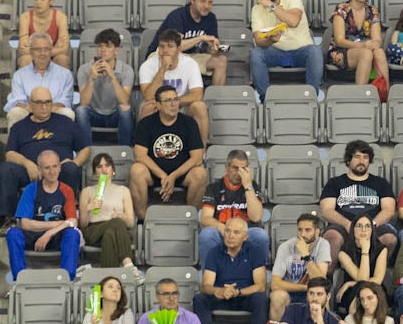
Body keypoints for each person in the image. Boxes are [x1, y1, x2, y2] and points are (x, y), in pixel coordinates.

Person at [0, 87, 88, 229]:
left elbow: (85, 149)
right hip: (31, 173)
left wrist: (74, 161)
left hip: (58, 172)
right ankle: (9, 219)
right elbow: (10, 153)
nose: (45, 107)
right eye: (39, 103)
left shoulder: (65, 123)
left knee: (71, 169)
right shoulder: (19, 127)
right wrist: (27, 164)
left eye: (48, 102)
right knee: (5, 169)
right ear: (30, 104)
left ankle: (67, 217)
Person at [128, 87, 209, 220]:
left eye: (176, 99)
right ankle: (143, 219)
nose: (173, 104)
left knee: (200, 174)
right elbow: (140, 155)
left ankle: (190, 218)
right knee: (136, 170)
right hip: (154, 174)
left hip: (182, 174)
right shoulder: (146, 124)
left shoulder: (189, 123)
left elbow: (197, 158)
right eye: (168, 101)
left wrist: (173, 176)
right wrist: (163, 176)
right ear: (158, 105)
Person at [8, 151, 83, 279]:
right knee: (13, 233)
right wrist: (59, 223)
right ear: (39, 170)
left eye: (54, 166)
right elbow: (25, 223)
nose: (52, 171)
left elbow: (73, 222)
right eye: (47, 168)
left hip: (56, 236)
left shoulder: (66, 190)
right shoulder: (31, 190)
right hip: (34, 237)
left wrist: (49, 233)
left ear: (60, 167)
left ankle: (68, 280)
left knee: (73, 234)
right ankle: (20, 280)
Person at [322, 141, 399, 262]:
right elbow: (326, 210)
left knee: (390, 238)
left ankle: (374, 275)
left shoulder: (381, 183)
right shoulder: (334, 183)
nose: (361, 161)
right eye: (357, 157)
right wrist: (347, 224)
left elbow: (389, 210)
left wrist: (370, 226)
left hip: (374, 225)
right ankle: (327, 278)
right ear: (348, 160)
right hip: (343, 226)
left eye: (365, 157)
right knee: (332, 237)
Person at [252, 0, 323, 97]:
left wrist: (271, 5)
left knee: (315, 51)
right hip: (275, 52)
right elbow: (258, 39)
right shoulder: (257, 9)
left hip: (301, 51)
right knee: (256, 53)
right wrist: (270, 40)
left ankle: (312, 96)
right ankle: (265, 99)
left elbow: (294, 21)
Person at [200, 147, 269, 266]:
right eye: (235, 168)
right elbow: (205, 218)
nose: (239, 173)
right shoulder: (214, 187)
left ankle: (259, 276)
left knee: (261, 235)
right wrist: (221, 227)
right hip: (223, 232)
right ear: (227, 167)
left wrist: (248, 186)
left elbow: (256, 217)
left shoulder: (252, 187)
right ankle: (209, 277)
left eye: (243, 169)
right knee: (207, 235)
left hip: (245, 233)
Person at [148, 0, 228, 87]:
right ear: (192, 0)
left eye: (210, 2)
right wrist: (201, 38)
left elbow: (210, 50)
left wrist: (213, 48)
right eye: (202, 1)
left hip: (190, 56)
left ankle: (216, 99)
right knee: (170, 57)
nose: (207, 6)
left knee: (221, 61)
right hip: (163, 54)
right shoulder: (178, 16)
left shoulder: (211, 18)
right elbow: (175, 47)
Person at [75, 28, 134, 150]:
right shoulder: (85, 69)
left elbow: (124, 101)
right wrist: (91, 79)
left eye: (108, 46)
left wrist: (112, 77)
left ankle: (124, 150)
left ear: (116, 50)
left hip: (114, 114)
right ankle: (85, 151)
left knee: (125, 109)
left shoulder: (126, 70)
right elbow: (84, 103)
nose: (103, 50)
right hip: (94, 113)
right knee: (80, 111)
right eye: (100, 46)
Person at [271, 212, 333, 322]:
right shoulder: (285, 247)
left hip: (312, 292)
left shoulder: (323, 245)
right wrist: (305, 288)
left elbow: (320, 282)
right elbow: (275, 284)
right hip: (289, 292)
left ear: (317, 232)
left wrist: (305, 255)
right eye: (300, 230)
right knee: (277, 296)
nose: (303, 234)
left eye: (307, 230)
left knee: (320, 296)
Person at [78, 154, 136, 267]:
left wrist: (122, 216)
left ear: (113, 169)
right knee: (116, 223)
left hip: (118, 232)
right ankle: (129, 265)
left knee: (110, 234)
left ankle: (106, 278)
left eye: (107, 165)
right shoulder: (87, 191)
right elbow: (83, 224)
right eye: (99, 167)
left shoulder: (123, 190)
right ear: (95, 172)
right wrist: (88, 208)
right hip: (94, 230)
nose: (104, 169)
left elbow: (130, 223)